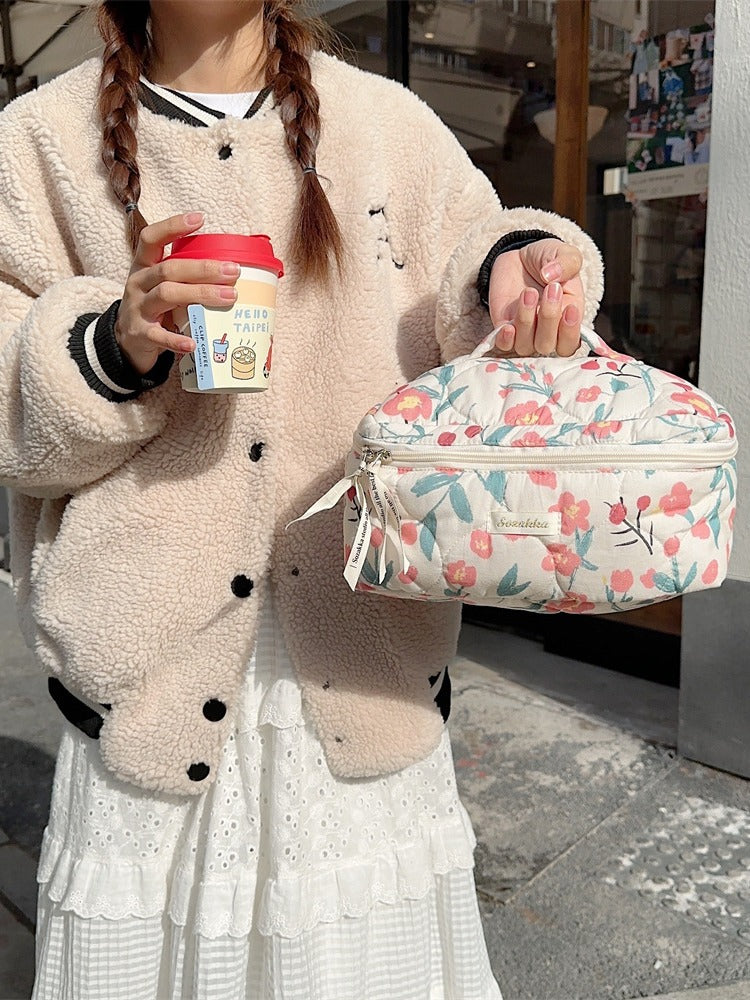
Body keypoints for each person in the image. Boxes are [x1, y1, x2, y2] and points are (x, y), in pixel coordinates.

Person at [0, 1, 602, 997]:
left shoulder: (386, 125)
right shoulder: (36, 143)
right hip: (143, 698)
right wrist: (113, 345)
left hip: (365, 673)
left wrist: (521, 273)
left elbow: (476, 252)